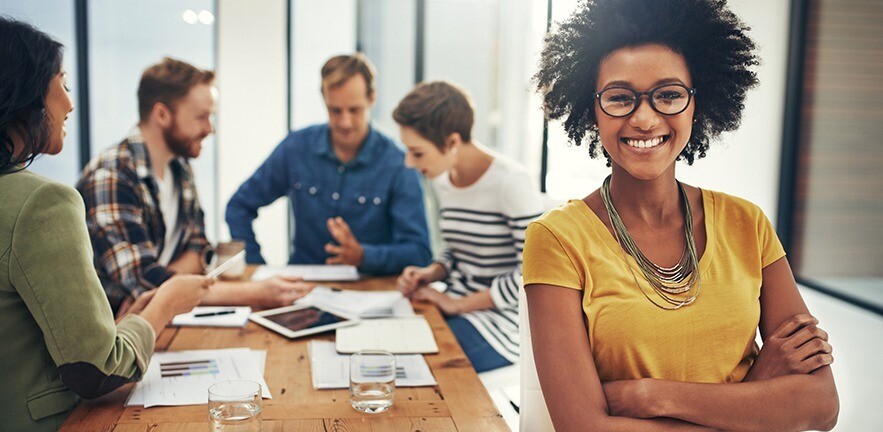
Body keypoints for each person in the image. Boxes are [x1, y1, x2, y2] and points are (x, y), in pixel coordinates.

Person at [524, 0, 839, 431]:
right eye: (620, 98)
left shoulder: (747, 223)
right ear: (592, 109)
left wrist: (649, 395)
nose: (645, 118)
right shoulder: (557, 238)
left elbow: (820, 406)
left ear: (697, 103)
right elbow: (583, 427)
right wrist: (756, 391)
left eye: (669, 95)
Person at [0, 18, 211, 431]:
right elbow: (100, 368)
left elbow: (199, 246)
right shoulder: (44, 202)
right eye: (63, 83)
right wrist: (168, 299)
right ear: (29, 95)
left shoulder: (182, 171)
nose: (70, 102)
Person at [77, 58, 313, 316]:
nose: (209, 129)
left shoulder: (179, 167)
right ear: (162, 114)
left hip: (161, 319)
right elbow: (143, 280)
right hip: (116, 334)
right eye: (201, 117)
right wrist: (255, 292)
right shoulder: (111, 176)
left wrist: (167, 286)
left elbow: (199, 248)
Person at [225, 54, 432, 275]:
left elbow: (419, 252)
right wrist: (257, 268)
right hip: (301, 286)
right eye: (335, 110)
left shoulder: (398, 163)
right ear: (324, 99)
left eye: (354, 110)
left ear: (372, 98)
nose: (345, 122)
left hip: (370, 289)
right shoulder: (296, 148)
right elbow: (238, 207)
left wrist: (364, 256)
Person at [393, 81, 546, 372]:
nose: (409, 163)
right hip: (451, 307)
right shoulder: (442, 181)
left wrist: (457, 305)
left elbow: (535, 273)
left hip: (500, 324)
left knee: (413, 365)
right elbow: (457, 248)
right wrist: (431, 273)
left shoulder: (510, 182)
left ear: (451, 142)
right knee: (385, 344)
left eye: (418, 152)